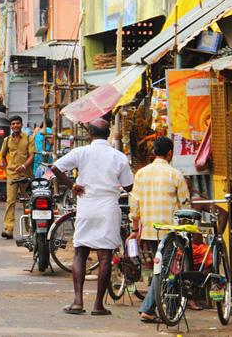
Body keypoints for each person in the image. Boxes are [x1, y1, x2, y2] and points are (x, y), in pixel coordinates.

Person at [52, 119, 134, 316]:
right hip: (107, 208)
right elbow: (129, 186)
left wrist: (72, 185)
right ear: (108, 135)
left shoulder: (82, 152)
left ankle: (78, 301)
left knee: (80, 252)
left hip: (86, 206)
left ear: (90, 134)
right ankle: (98, 305)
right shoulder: (119, 157)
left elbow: (55, 168)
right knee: (105, 256)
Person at [129, 136, 190, 322]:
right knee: (166, 270)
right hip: (170, 232)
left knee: (161, 269)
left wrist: (134, 229)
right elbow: (185, 205)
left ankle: (165, 307)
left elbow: (135, 205)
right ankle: (148, 308)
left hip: (149, 231)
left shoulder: (140, 174)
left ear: (154, 152)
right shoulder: (175, 174)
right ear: (170, 153)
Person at [0, 115, 35, 240]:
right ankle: (8, 229)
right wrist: (5, 168)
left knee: (27, 201)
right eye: (13, 124)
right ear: (10, 126)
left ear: (21, 124)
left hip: (26, 175)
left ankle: (29, 229)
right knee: (10, 201)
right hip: (12, 174)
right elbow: (3, 155)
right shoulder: (7, 140)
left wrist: (25, 166)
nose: (15, 126)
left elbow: (32, 155)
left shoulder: (29, 138)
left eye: (17, 123)